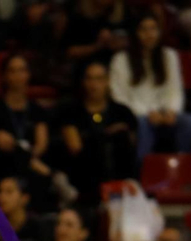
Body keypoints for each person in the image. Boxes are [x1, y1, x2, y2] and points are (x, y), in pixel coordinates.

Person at [111, 12, 191, 164]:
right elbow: (120, 98)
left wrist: (172, 111)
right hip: (137, 116)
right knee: (142, 124)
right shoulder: (120, 60)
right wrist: (148, 113)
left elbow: (175, 90)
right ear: (134, 33)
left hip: (165, 114)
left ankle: (187, 169)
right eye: (143, 29)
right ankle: (143, 171)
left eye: (153, 28)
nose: (149, 34)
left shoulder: (169, 56)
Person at [56, 60, 138, 207]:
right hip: (84, 178)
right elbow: (75, 148)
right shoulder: (71, 111)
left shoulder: (122, 112)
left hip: (120, 178)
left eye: (99, 79)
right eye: (89, 78)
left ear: (107, 81)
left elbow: (132, 146)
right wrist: (105, 136)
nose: (94, 84)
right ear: (83, 82)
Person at [0, 53, 53, 205]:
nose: (17, 75)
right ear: (4, 76)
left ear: (28, 74)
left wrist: (21, 152)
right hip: (1, 166)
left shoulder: (37, 111)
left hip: (28, 167)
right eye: (12, 71)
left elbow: (41, 145)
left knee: (32, 168)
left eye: (22, 70)